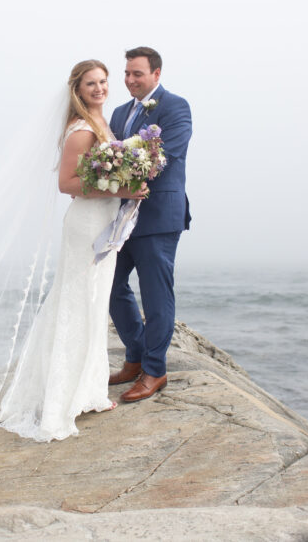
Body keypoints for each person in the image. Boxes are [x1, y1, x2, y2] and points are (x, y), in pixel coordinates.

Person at [0, 59, 147, 441]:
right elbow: (67, 183)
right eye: (90, 84)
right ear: (77, 90)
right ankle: (60, 401)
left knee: (94, 305)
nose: (98, 88)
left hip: (104, 223)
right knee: (78, 303)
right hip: (86, 227)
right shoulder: (81, 130)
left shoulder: (103, 123)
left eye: (102, 81)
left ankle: (89, 391)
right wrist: (123, 190)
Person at [107, 46, 192, 402]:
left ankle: (155, 370)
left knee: (157, 296)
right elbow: (109, 151)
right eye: (126, 73)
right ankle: (136, 355)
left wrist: (117, 169)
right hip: (120, 216)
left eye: (137, 73)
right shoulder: (118, 112)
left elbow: (164, 155)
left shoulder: (176, 107)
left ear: (156, 74)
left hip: (158, 215)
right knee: (110, 285)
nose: (129, 80)